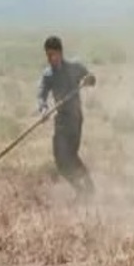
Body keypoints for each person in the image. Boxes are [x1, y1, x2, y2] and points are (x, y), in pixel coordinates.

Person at [37, 35, 96, 198]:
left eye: (53, 55)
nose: (50, 58)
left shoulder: (74, 67)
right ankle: (81, 190)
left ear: (60, 53)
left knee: (70, 155)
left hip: (75, 118)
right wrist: (43, 109)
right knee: (60, 161)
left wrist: (88, 79)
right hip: (61, 119)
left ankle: (88, 188)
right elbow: (41, 94)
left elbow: (91, 78)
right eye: (48, 55)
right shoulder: (48, 75)